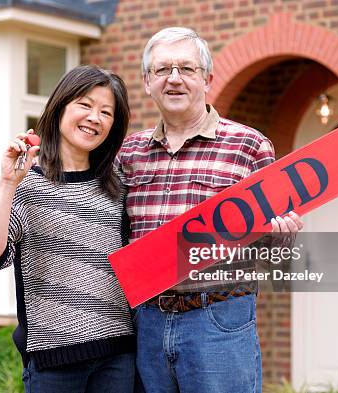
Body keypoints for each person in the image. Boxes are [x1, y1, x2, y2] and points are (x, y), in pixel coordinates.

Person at [117, 27, 304, 393]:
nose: (174, 78)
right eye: (162, 69)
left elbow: (276, 258)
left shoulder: (248, 146)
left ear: (207, 79)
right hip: (147, 323)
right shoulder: (129, 154)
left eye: (186, 69)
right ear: (146, 82)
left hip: (218, 321)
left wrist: (282, 238)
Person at [0, 65, 135, 393]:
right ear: (60, 107)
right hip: (54, 363)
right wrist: (6, 184)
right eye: (85, 105)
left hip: (118, 358)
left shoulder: (117, 185)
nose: (95, 118)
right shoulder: (27, 183)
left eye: (106, 112)